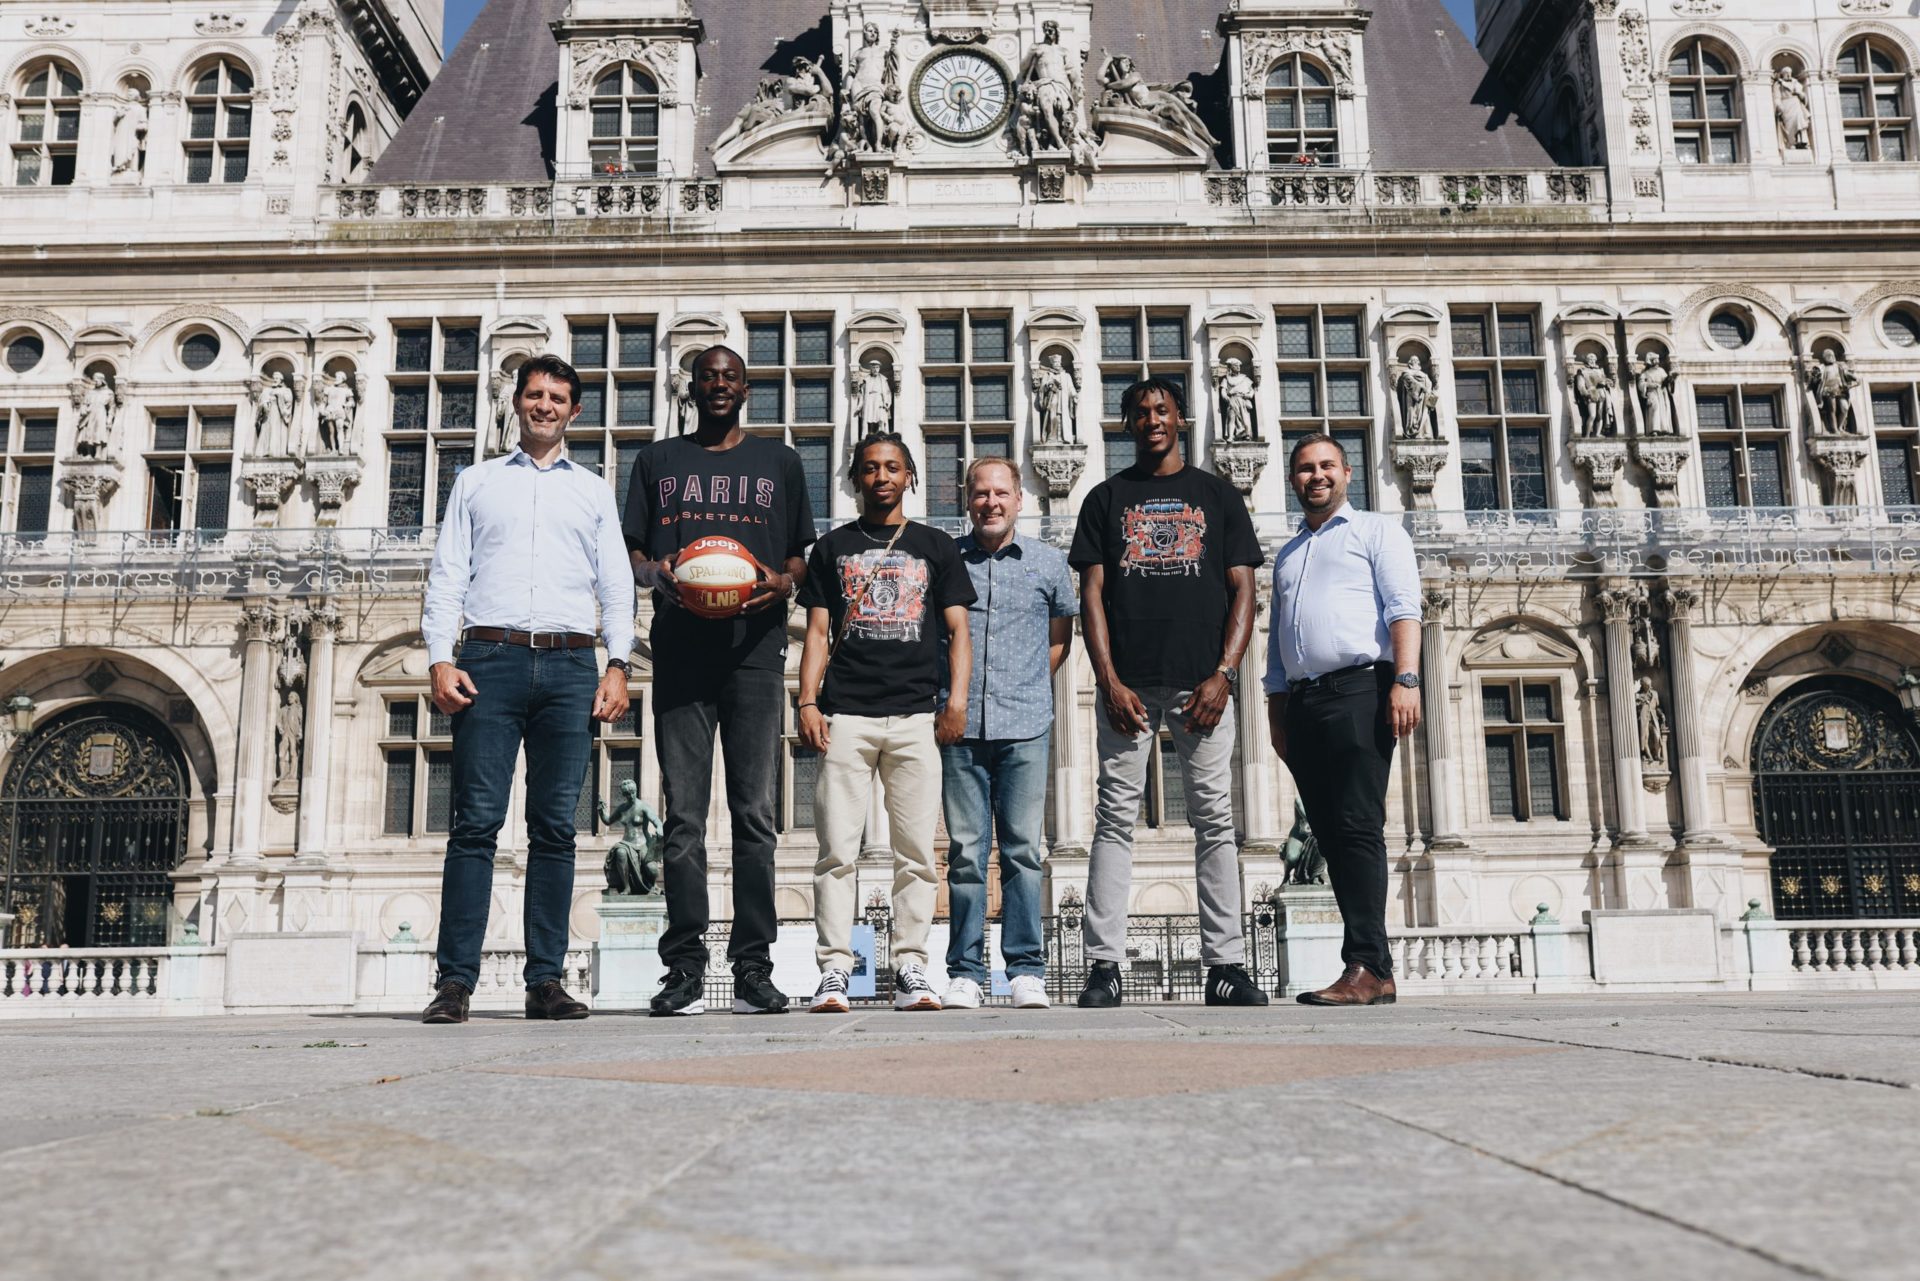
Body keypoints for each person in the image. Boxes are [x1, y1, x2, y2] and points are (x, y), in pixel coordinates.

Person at [419, 354, 635, 1024]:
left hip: (571, 663)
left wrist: (618, 662)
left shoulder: (595, 490)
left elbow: (616, 583)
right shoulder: (476, 483)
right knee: (475, 826)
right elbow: (448, 571)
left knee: (554, 829)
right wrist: (437, 656)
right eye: (535, 394)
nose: (545, 405)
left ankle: (545, 979)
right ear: (516, 403)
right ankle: (455, 980)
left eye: (558, 397)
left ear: (575, 411)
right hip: (490, 656)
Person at [625, 345, 816, 1016]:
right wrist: (659, 576)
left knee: (755, 816)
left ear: (746, 386)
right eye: (707, 377)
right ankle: (683, 967)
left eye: (729, 377)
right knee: (681, 818)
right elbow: (636, 556)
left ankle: (754, 966)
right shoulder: (656, 462)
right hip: (679, 648)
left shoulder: (781, 462)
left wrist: (783, 582)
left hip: (755, 650)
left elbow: (798, 555)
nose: (718, 386)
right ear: (692, 387)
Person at [1069, 379, 1267, 1009]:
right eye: (1140, 412)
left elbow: (1244, 590)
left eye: (1162, 409)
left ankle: (1226, 965)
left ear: (1180, 417)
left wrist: (1225, 673)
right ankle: (1104, 965)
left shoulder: (1218, 494)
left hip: (1201, 682)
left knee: (1214, 821)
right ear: (1125, 423)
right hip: (1127, 684)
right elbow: (1092, 596)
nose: (1152, 420)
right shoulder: (1105, 498)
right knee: (1113, 821)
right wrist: (1107, 680)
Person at [796, 433, 975, 1013]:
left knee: (918, 853)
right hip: (847, 714)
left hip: (915, 715)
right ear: (855, 478)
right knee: (836, 851)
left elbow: (958, 633)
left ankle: (911, 967)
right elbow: (818, 633)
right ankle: (834, 970)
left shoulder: (936, 546)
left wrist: (956, 702)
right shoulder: (831, 549)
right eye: (870, 468)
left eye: (892, 468)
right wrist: (806, 702)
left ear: (910, 477)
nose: (881, 477)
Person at [1265, 434, 1421, 1007]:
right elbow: (1280, 642)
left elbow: (1404, 608)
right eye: (1305, 469)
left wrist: (1406, 680)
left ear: (1347, 473)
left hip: (1362, 686)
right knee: (1329, 835)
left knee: (1357, 825)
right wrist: (1277, 708)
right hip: (1305, 700)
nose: (1316, 476)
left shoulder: (1378, 532)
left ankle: (1366, 965)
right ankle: (1370, 967)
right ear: (1293, 480)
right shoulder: (1288, 554)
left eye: (1326, 465)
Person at [939, 458, 1078, 1011]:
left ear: (1021, 499)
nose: (990, 502)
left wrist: (1022, 686)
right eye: (980, 493)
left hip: (1024, 723)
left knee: (1024, 851)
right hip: (960, 723)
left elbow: (1059, 640)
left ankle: (1025, 969)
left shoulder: (1048, 563)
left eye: (1001, 493)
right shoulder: (946, 560)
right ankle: (966, 971)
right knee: (966, 853)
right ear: (966, 500)